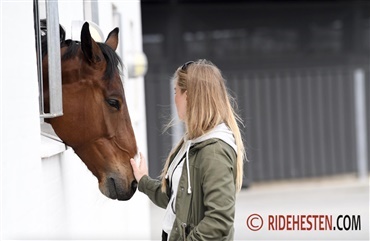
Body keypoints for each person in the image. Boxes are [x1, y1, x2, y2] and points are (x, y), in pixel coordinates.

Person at [130, 59, 245, 241]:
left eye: (176, 91)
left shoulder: (214, 151)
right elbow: (176, 198)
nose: (174, 98)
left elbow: (219, 221)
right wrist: (143, 181)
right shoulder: (193, 143)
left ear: (189, 96)